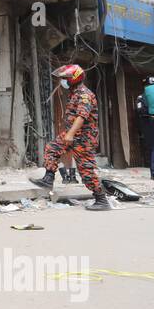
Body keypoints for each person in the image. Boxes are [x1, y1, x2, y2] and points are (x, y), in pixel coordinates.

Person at [31, 63, 110, 210]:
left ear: (74, 79)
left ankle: (101, 200)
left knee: (86, 171)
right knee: (52, 148)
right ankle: (48, 178)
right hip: (72, 135)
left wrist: (70, 134)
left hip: (84, 138)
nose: (63, 81)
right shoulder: (75, 93)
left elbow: (82, 116)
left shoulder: (84, 95)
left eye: (66, 78)